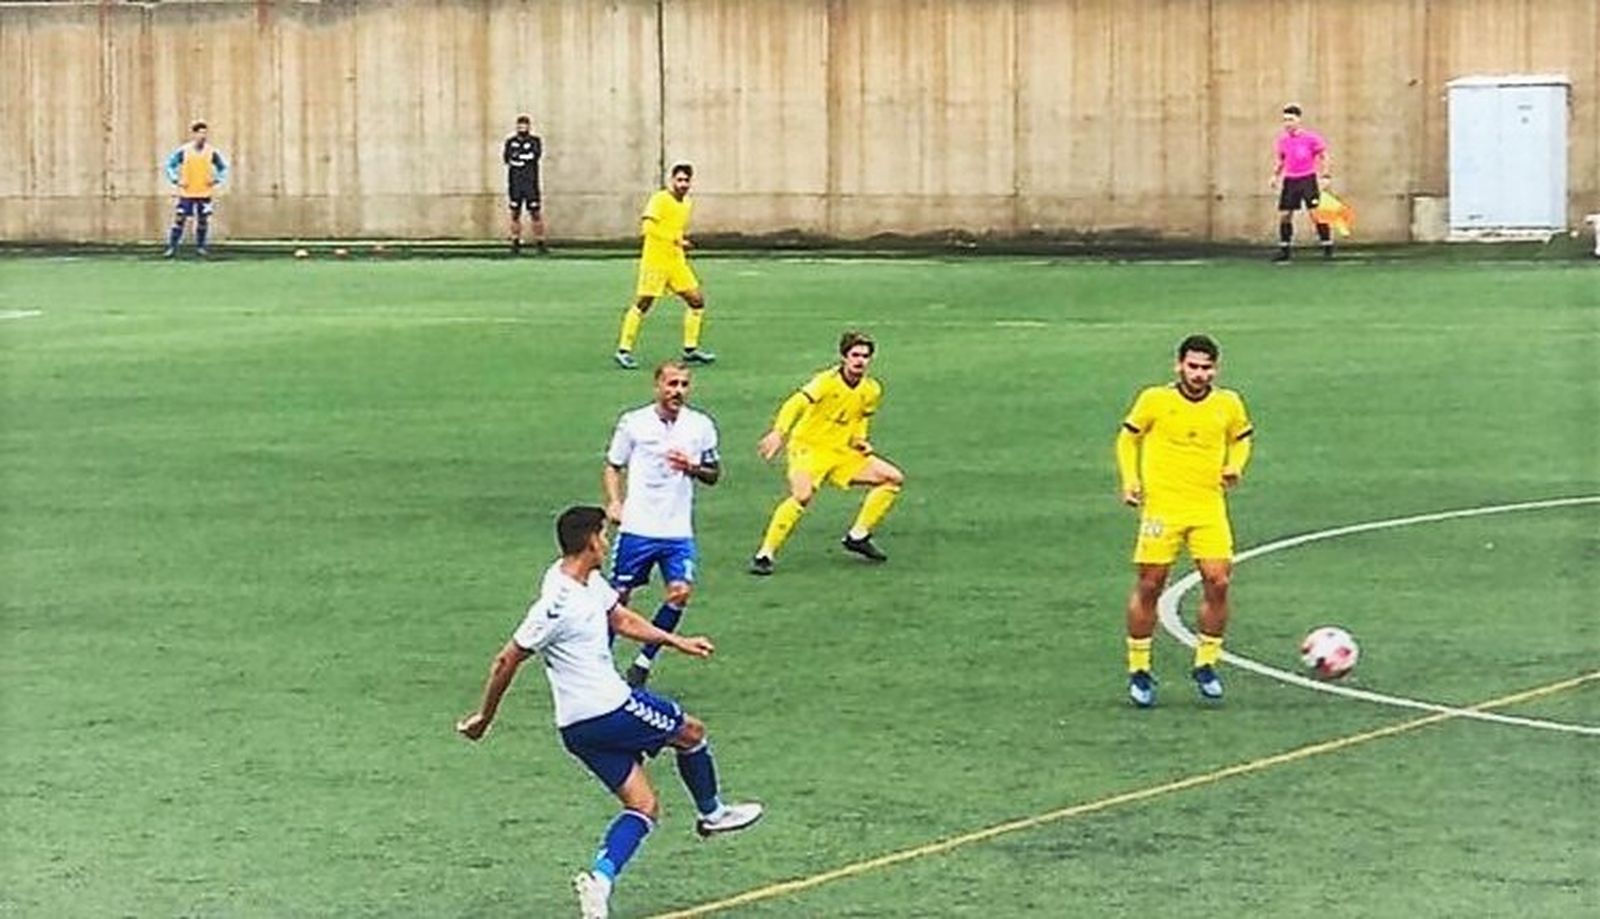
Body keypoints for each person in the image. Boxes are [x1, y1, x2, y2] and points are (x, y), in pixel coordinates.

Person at [457, 506, 762, 919]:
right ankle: (712, 813)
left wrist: (677, 641)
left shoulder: (584, 580)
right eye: (603, 534)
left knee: (643, 806)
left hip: (577, 729)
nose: (609, 541)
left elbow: (620, 618)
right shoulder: (555, 604)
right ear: (589, 542)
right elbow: (505, 660)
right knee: (691, 732)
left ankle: (599, 881)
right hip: (610, 708)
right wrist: (484, 718)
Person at [1115, 335, 1254, 707]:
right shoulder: (1155, 400)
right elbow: (1127, 439)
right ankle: (1139, 669)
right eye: (1193, 367)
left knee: (1219, 581)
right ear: (1179, 365)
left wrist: (1234, 466)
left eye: (1206, 367)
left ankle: (1206, 662)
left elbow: (1242, 438)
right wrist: (1130, 481)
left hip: (1207, 507)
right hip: (1163, 509)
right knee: (1150, 584)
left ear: (1216, 369)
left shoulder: (1228, 403)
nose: (1199, 374)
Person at [603, 362, 720, 688]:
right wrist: (615, 501)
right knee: (617, 599)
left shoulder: (700, 425)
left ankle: (642, 663)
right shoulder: (633, 422)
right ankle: (601, 665)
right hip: (637, 528)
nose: (677, 391)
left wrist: (692, 467)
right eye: (671, 384)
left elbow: (714, 473)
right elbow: (613, 466)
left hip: (677, 532)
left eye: (683, 384)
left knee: (680, 593)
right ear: (658, 386)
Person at [749, 330, 905, 576]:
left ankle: (858, 536)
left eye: (865, 356)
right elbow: (795, 403)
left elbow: (861, 417)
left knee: (892, 478)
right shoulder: (826, 381)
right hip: (808, 449)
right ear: (844, 357)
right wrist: (779, 432)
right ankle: (765, 554)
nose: (860, 361)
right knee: (802, 496)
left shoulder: (872, 389)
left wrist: (860, 440)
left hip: (842, 452)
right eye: (855, 355)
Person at [614, 163, 716, 369]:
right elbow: (648, 227)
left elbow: (676, 228)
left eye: (686, 180)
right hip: (655, 261)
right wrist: (675, 240)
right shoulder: (660, 199)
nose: (683, 184)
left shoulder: (686, 203)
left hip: (676, 262)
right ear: (672, 180)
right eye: (679, 180)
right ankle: (623, 350)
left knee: (696, 300)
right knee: (644, 303)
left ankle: (690, 349)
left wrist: (679, 242)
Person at [1271, 104, 1333, 262]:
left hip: (1307, 179)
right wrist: (1275, 175)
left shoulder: (1311, 138)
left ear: (1298, 120)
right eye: (1285, 120)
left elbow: (1324, 155)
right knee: (1285, 215)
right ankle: (1284, 249)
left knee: (1315, 214)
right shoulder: (1283, 141)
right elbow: (1281, 160)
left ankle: (1327, 245)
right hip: (1290, 180)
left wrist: (1326, 175)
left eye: (1291, 120)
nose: (1288, 123)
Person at [162, 121, 228, 258]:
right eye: (200, 133)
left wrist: (216, 179)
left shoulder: (211, 151)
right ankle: (172, 247)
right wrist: (176, 179)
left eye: (204, 133)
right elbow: (170, 165)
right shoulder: (184, 151)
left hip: (204, 192)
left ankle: (201, 247)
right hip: (187, 192)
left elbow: (222, 167)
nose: (202, 136)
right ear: (194, 134)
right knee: (180, 219)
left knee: (203, 220)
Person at [503, 114, 547, 254]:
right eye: (520, 125)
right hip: (515, 184)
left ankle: (540, 241)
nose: (522, 128)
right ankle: (515, 241)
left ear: (529, 127)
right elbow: (507, 158)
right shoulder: (511, 142)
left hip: (530, 184)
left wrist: (520, 158)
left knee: (535, 213)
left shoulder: (535, 141)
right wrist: (519, 159)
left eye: (525, 125)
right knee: (515, 213)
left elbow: (534, 156)